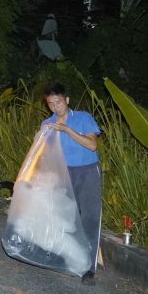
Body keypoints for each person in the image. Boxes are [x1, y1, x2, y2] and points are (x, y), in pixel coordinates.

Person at [42, 82, 102, 283]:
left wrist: (66, 130)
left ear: (66, 100)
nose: (55, 107)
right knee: (65, 216)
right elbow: (44, 153)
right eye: (50, 104)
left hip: (87, 171)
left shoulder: (83, 118)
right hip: (63, 173)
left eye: (58, 102)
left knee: (90, 218)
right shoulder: (47, 124)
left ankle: (88, 268)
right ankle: (67, 257)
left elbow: (92, 145)